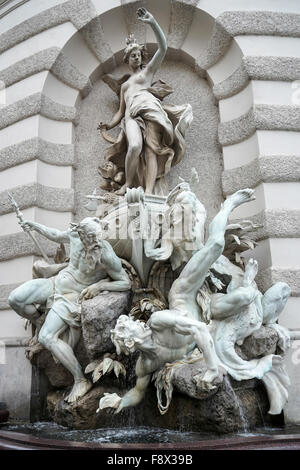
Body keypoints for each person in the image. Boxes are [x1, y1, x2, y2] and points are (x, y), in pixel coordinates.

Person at [99, 189, 256, 413]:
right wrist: (120, 401)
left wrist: (212, 368)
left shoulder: (156, 321)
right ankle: (245, 281)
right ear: (130, 344)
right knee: (242, 297)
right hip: (205, 311)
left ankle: (228, 205)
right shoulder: (145, 364)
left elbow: (199, 329)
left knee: (215, 246)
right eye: (127, 333)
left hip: (183, 293)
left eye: (128, 328)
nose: (135, 326)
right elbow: (138, 391)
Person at [8, 217, 131, 403]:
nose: (96, 241)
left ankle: (80, 379)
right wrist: (34, 225)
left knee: (46, 337)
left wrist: (98, 286)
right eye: (91, 237)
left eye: (97, 236)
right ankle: (39, 319)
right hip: (55, 283)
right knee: (15, 299)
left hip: (70, 298)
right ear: (81, 234)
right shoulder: (74, 235)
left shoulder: (105, 254)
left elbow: (125, 282)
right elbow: (55, 234)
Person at [99, 7, 192, 195]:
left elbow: (163, 47)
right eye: (132, 55)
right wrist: (108, 125)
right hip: (131, 116)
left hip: (151, 110)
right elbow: (120, 111)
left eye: (138, 54)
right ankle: (129, 183)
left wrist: (152, 22)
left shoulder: (147, 73)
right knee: (134, 146)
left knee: (151, 151)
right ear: (127, 59)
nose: (136, 57)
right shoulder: (125, 87)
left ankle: (149, 192)